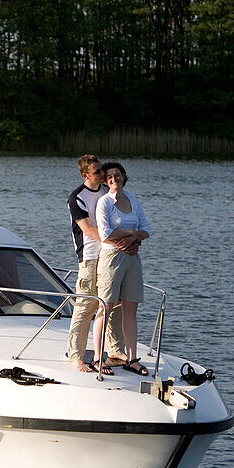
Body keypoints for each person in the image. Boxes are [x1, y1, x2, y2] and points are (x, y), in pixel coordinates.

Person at [66, 155, 137, 374]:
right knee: (86, 305)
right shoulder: (77, 197)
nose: (103, 175)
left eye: (102, 171)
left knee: (112, 303)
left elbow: (125, 219)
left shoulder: (109, 193)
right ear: (86, 175)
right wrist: (121, 241)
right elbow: (88, 230)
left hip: (111, 255)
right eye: (98, 172)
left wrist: (131, 242)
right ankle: (76, 356)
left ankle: (115, 351)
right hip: (89, 256)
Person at [95, 162, 150, 376]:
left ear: (123, 176)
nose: (113, 179)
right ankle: (99, 358)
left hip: (133, 256)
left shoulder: (133, 200)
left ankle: (132, 358)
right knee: (105, 307)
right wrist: (131, 234)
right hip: (111, 257)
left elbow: (145, 229)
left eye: (117, 175)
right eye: (109, 177)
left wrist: (135, 239)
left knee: (131, 309)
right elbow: (106, 234)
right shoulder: (104, 202)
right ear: (105, 180)